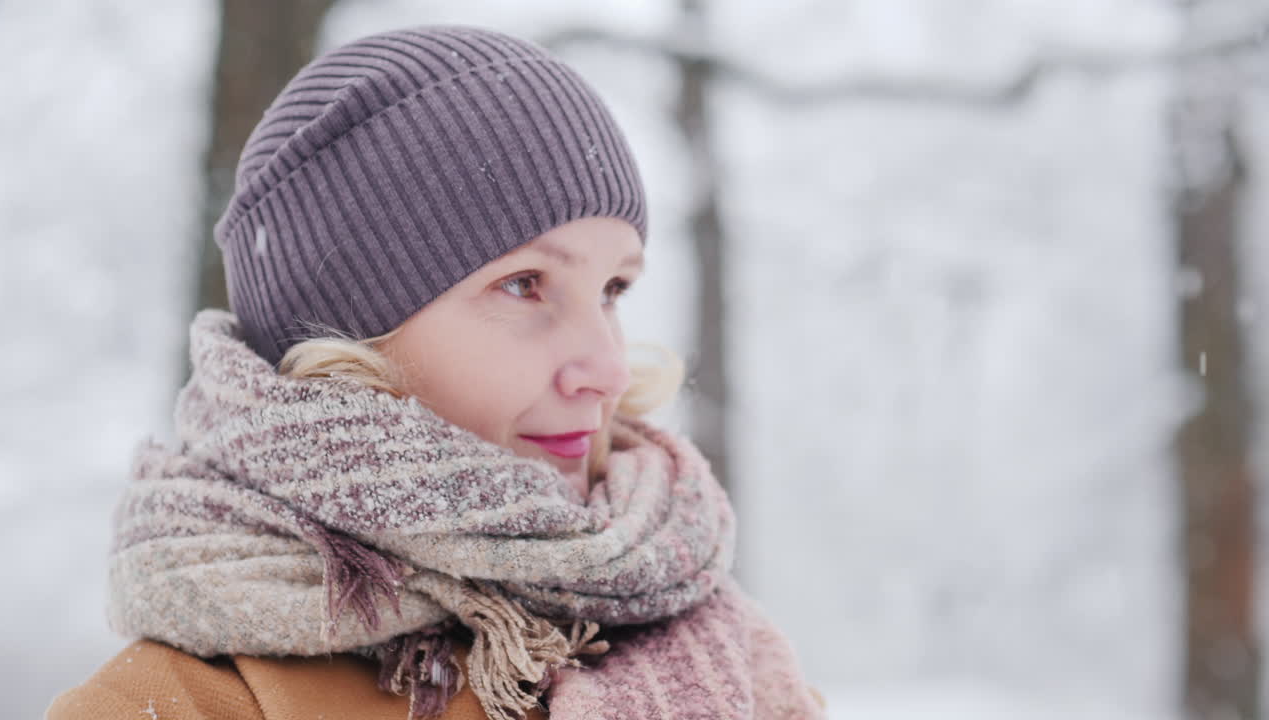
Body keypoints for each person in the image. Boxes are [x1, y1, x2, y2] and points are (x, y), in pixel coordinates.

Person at [47, 24, 825, 720]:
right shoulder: (180, 705)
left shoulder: (729, 652)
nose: (607, 368)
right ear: (348, 335)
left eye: (613, 290)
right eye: (525, 285)